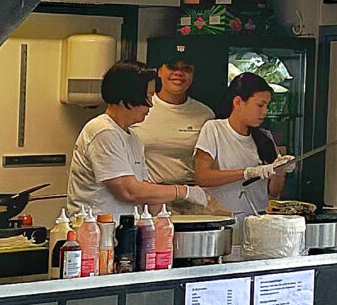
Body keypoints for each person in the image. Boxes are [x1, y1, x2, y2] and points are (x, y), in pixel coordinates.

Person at [68, 61, 211, 217]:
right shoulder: (103, 131)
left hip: (124, 227)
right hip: (94, 229)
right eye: (148, 97)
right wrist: (183, 191)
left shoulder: (133, 137)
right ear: (128, 97)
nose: (150, 104)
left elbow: (144, 190)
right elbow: (128, 191)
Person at [192, 72, 296, 218]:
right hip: (223, 218)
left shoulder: (265, 137)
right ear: (238, 102)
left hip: (257, 219)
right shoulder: (214, 129)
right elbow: (202, 177)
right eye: (260, 105)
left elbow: (273, 191)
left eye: (267, 106)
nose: (265, 111)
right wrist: (248, 173)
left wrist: (280, 171)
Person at [134, 57, 215, 188]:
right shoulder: (139, 108)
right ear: (159, 72)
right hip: (148, 194)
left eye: (186, 68)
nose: (179, 73)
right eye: (172, 67)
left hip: (190, 194)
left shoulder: (205, 114)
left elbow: (210, 166)